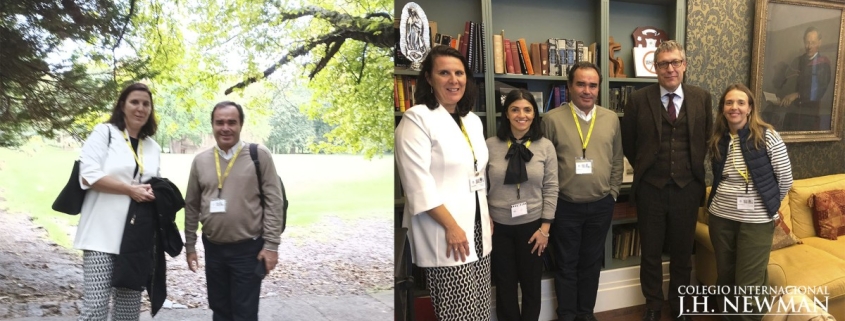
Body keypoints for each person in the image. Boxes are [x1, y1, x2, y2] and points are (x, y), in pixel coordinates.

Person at [394, 45, 492, 321]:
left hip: (476, 227)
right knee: (460, 312)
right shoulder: (417, 120)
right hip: (446, 231)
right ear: (428, 78)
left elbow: (476, 172)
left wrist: (484, 215)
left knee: (481, 308)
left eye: (459, 73)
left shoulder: (472, 120)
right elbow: (417, 185)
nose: (454, 80)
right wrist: (451, 227)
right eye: (444, 73)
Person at [621, 40, 713, 321]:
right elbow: (629, 143)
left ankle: (679, 304)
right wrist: (649, 169)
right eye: (663, 64)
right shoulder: (638, 100)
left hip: (688, 189)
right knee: (650, 253)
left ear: (684, 65)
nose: (670, 68)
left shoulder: (701, 98)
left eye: (675, 62)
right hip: (651, 190)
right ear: (655, 68)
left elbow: (706, 138)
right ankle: (652, 305)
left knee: (682, 254)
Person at [184, 101, 285, 321]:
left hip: (248, 250)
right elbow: (191, 204)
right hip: (214, 249)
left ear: (240, 125)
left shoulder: (258, 156)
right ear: (212, 125)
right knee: (220, 311)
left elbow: (274, 202)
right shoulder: (200, 161)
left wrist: (271, 245)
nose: (225, 128)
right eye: (219, 122)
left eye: (231, 122)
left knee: (244, 314)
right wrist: (190, 245)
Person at [543, 61, 624, 321]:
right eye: (581, 84)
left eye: (592, 85)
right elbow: (545, 165)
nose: (587, 90)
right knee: (566, 264)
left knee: (591, 263)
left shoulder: (611, 119)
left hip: (601, 204)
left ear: (599, 88)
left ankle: (586, 313)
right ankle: (567, 315)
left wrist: (613, 194)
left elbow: (617, 159)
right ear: (569, 86)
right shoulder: (551, 119)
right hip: (565, 205)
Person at [75, 82, 162, 320]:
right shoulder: (105, 133)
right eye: (134, 102)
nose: (140, 108)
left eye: (146, 104)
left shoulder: (152, 147)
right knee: (95, 309)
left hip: (135, 239)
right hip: (100, 236)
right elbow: (88, 176)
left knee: (128, 312)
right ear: (122, 105)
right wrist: (130, 190)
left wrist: (157, 193)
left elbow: (154, 183)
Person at [706, 84, 793, 321]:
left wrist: (769, 205)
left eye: (740, 102)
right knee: (726, 278)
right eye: (729, 103)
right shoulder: (719, 139)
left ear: (750, 108)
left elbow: (785, 179)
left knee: (749, 286)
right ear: (722, 108)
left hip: (756, 222)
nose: (734, 107)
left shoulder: (767, 136)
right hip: (721, 218)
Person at [486, 88, 558, 321]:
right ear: (506, 113)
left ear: (534, 114)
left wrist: (545, 229)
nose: (521, 115)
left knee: (531, 284)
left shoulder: (545, 146)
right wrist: (485, 217)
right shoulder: (489, 145)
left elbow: (551, 187)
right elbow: (480, 186)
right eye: (515, 109)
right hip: (499, 228)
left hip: (533, 227)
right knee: (504, 285)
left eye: (527, 110)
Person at [776, 27, 832, 131]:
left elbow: (819, 91)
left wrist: (797, 94)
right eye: (807, 42)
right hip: (792, 113)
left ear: (819, 43)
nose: (809, 46)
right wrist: (782, 97)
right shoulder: (798, 60)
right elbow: (789, 83)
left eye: (813, 43)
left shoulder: (823, 64)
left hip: (809, 115)